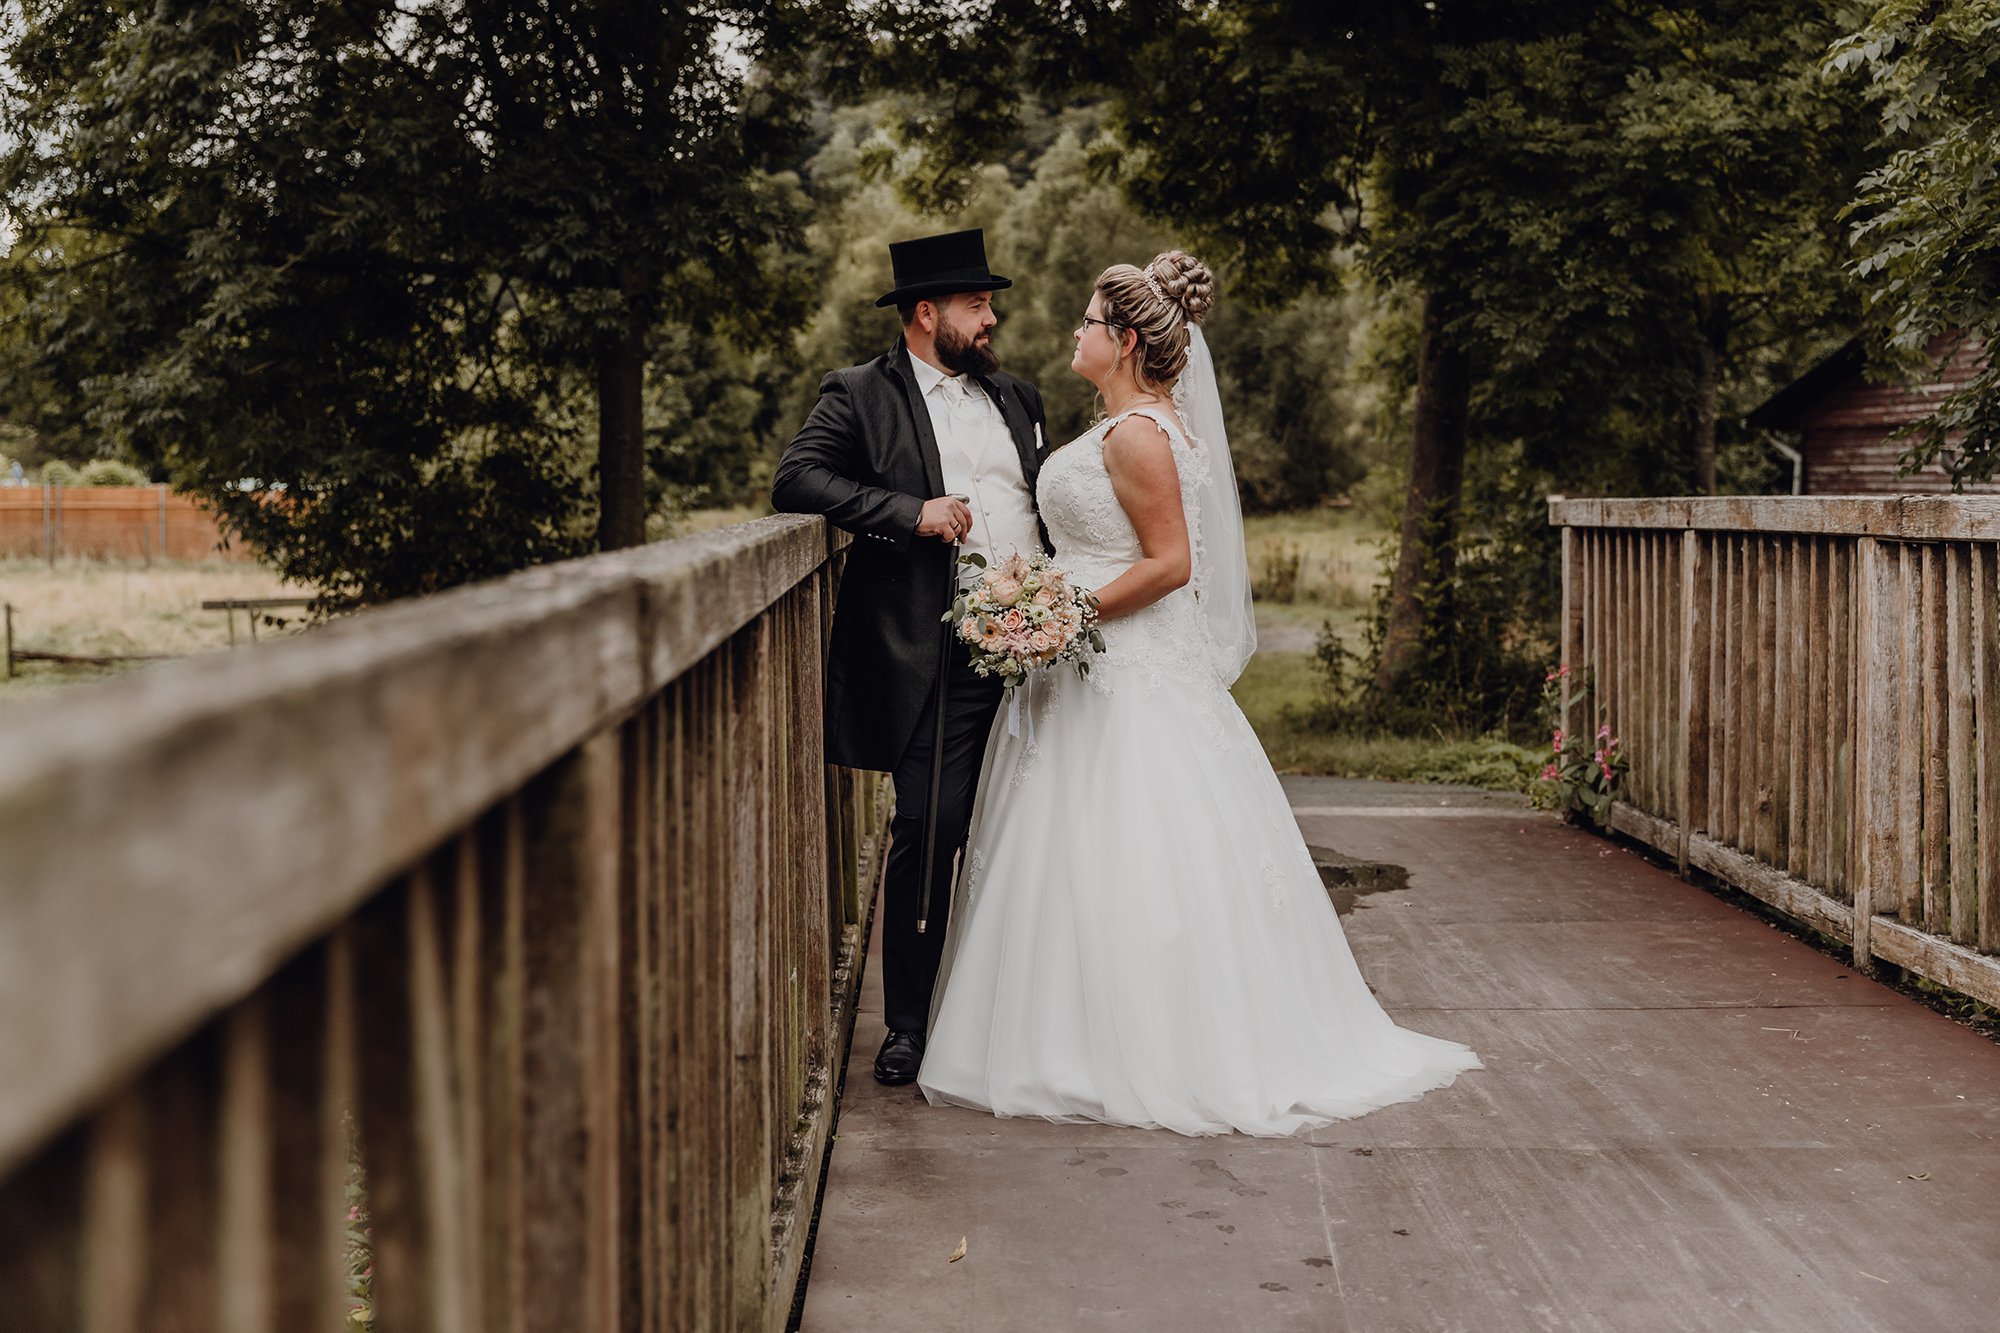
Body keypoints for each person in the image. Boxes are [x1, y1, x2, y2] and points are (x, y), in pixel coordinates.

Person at [916, 250, 1481, 1136]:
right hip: (1096, 668)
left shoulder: (1139, 432)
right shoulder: (1135, 423)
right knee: (1084, 856)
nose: (1075, 331)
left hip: (1121, 666)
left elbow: (1171, 565)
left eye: (1089, 321)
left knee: (1132, 849)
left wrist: (1061, 612)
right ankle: (1072, 1035)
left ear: (1126, 339)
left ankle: (1137, 1047)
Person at [771, 228, 1052, 1085]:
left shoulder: (1019, 398)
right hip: (936, 649)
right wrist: (908, 510)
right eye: (978, 305)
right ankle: (907, 1024)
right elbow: (797, 479)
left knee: (1038, 831)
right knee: (931, 829)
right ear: (927, 314)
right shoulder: (859, 392)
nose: (992, 318)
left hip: (1039, 647)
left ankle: (1027, 1015)